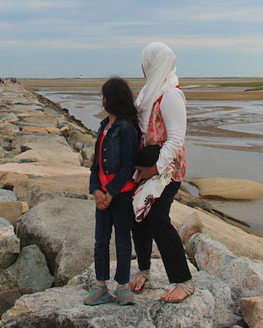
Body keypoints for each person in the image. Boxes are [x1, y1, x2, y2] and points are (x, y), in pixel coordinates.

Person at [130, 42, 195, 303]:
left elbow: (176, 138)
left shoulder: (170, 94)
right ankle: (144, 269)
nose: (142, 67)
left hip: (167, 169)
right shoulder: (148, 92)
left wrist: (154, 169)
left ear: (153, 64)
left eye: (145, 62)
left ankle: (184, 282)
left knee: (157, 218)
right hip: (147, 168)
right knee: (138, 215)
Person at [84, 77, 140, 306]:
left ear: (113, 99)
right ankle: (100, 286)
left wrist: (111, 192)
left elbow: (128, 165)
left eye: (105, 96)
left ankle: (123, 286)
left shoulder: (127, 128)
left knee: (123, 241)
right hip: (103, 196)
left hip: (121, 195)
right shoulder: (103, 126)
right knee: (100, 240)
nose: (102, 100)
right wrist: (96, 190)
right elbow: (95, 164)